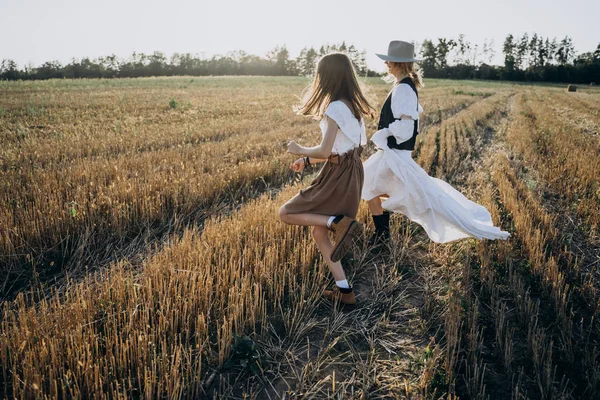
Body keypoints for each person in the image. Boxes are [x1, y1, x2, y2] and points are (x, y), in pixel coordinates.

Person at [362, 40, 510, 247]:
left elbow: (405, 129)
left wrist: (382, 134)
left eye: (389, 61)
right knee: (370, 185)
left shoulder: (404, 89)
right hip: (392, 151)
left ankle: (382, 232)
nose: (386, 64)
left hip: (395, 152)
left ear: (397, 63)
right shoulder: (403, 85)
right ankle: (382, 231)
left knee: (389, 189)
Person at [279, 52, 376, 305]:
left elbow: (325, 150)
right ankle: (345, 292)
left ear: (327, 77)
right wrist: (309, 161)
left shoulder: (334, 107)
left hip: (337, 176)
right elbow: (342, 149)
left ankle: (337, 222)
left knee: (285, 213)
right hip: (352, 173)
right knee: (319, 233)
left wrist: (299, 149)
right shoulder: (354, 107)